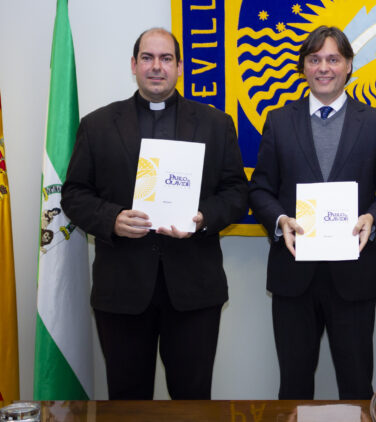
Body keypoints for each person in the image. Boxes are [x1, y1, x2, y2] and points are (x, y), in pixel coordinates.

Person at [61, 28, 249, 399]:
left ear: (180, 66)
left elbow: (236, 192)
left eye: (166, 59)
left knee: (193, 402)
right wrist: (112, 219)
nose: (156, 67)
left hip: (194, 291)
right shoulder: (97, 125)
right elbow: (74, 194)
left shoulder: (215, 123)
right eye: (147, 58)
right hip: (122, 291)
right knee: (127, 402)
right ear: (134, 65)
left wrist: (203, 218)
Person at [247, 26, 376, 399]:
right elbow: (259, 189)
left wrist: (373, 218)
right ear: (303, 67)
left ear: (349, 65)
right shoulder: (279, 120)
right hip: (293, 274)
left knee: (355, 386)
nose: (323, 68)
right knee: (294, 387)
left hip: (354, 275)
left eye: (333, 59)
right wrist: (279, 220)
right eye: (314, 59)